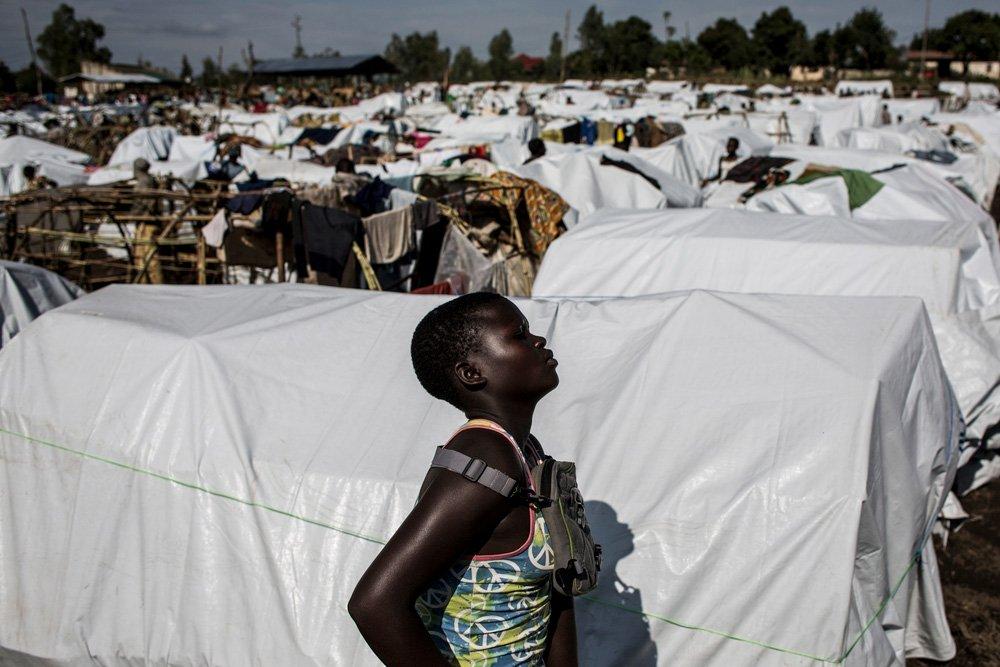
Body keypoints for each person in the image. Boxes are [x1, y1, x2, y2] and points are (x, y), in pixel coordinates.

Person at [350, 292, 577, 666]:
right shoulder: (484, 460)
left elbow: (557, 590)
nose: (538, 341)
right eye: (518, 335)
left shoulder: (524, 451)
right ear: (472, 373)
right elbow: (375, 603)